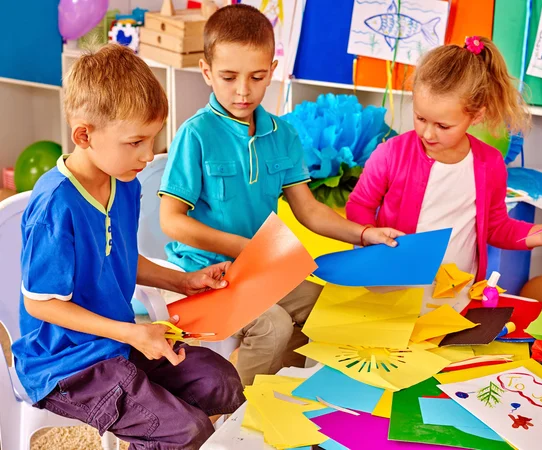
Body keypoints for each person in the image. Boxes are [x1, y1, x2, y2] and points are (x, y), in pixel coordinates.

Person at [11, 44, 244, 449]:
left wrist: (184, 281)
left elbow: (117, 258)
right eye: (135, 141)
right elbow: (41, 304)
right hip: (66, 364)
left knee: (222, 383)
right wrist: (134, 333)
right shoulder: (55, 206)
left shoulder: (125, 183)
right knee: (187, 431)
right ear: (84, 135)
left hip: (119, 341)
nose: (148, 154)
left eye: (152, 139)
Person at [159, 4, 402, 385]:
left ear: (272, 70)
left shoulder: (282, 134)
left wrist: (364, 234)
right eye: (228, 77)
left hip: (259, 268)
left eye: (257, 77)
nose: (243, 91)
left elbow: (308, 209)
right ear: (207, 73)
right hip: (203, 275)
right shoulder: (196, 135)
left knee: (321, 307)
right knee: (272, 325)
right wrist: (243, 247)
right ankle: (231, 414)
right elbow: (170, 220)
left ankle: (273, 391)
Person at [346, 37, 542, 310]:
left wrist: (541, 234)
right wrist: (372, 238)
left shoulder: (489, 163)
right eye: (420, 118)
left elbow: (496, 227)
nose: (428, 133)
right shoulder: (391, 153)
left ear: (476, 116)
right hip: (391, 292)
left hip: (455, 298)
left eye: (443, 125)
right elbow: (359, 205)